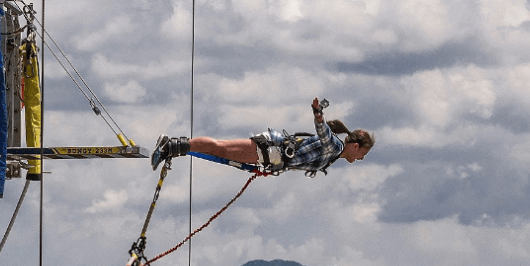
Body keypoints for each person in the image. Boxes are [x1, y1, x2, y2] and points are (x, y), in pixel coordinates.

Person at [151, 98, 375, 176]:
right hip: (268, 150)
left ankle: (174, 147)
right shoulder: (335, 147)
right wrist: (318, 115)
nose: (362, 159)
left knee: (220, 150)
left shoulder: (334, 154)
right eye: (363, 153)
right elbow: (323, 132)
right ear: (354, 146)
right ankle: (171, 145)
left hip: (269, 155)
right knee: (220, 148)